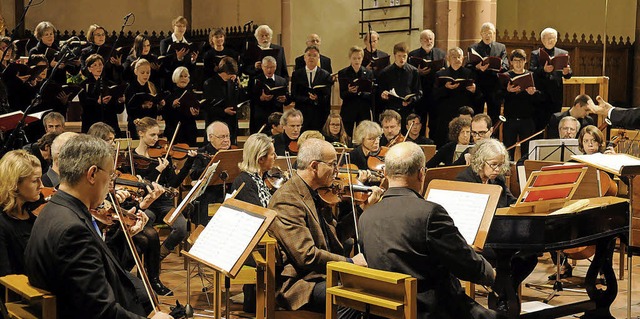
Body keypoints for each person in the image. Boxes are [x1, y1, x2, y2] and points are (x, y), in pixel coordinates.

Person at [24, 134, 173, 318]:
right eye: (110, 174)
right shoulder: (73, 230)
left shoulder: (54, 209)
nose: (112, 183)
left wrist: (122, 235)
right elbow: (99, 311)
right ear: (92, 174)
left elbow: (102, 267)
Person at [359, 142, 498, 319]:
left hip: (384, 311)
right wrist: (490, 274)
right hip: (430, 310)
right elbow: (465, 264)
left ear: (385, 173)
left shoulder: (366, 217)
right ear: (421, 173)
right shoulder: (430, 213)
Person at [268, 138, 380, 315]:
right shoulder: (288, 200)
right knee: (356, 298)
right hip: (301, 284)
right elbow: (306, 256)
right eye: (333, 164)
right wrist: (350, 263)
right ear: (314, 166)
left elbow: (336, 235)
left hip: (320, 275)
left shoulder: (317, 193)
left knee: (376, 290)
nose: (337, 171)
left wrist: (361, 209)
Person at [456, 138, 537, 301]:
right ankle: (505, 291)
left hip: (497, 233)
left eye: (501, 165)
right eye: (494, 164)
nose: (498, 169)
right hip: (475, 238)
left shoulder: (497, 179)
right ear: (480, 161)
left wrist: (527, 201)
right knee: (506, 254)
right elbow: (467, 218)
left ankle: (504, 289)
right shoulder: (464, 181)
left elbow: (511, 201)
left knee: (530, 254)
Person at [132, 117, 195, 260]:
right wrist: (157, 170)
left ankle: (158, 255)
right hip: (145, 203)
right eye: (152, 135)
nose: (156, 139)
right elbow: (139, 185)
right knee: (147, 221)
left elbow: (173, 183)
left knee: (181, 227)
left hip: (164, 203)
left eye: (158, 135)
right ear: (141, 133)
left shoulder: (161, 156)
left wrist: (188, 163)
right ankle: (146, 259)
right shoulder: (132, 158)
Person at [230, 132, 276, 312]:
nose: (275, 157)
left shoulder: (259, 179)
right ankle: (260, 302)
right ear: (260, 158)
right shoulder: (245, 181)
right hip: (247, 245)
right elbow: (261, 216)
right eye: (272, 154)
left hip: (258, 240)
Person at [0, 150, 42, 278]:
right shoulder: (2, 224)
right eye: (35, 181)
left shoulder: (34, 217)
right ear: (15, 184)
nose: (41, 186)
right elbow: (5, 276)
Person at [499, 49, 541, 159]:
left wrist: (533, 93)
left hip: (527, 119)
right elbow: (497, 97)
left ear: (525, 61)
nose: (518, 63)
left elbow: (541, 98)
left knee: (527, 152)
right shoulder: (506, 76)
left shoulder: (532, 76)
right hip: (510, 119)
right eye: (515, 60)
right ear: (511, 62)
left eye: (521, 60)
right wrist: (507, 91)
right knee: (508, 150)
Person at [433, 47, 478, 147]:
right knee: (445, 141)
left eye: (459, 57)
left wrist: (475, 90)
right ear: (448, 58)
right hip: (446, 113)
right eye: (454, 57)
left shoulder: (469, 73)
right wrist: (446, 88)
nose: (457, 59)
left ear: (463, 58)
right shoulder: (440, 74)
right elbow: (434, 95)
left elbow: (478, 96)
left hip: (464, 112)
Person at [190, 121, 233, 225]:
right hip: (208, 195)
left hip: (229, 193)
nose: (226, 140)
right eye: (222, 137)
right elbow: (194, 174)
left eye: (228, 136)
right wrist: (213, 167)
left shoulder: (232, 153)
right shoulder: (201, 152)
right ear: (210, 137)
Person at [530, 27, 573, 131]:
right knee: (539, 126)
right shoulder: (535, 54)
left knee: (555, 124)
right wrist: (543, 70)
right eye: (547, 38)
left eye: (552, 38)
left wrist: (567, 72)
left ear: (556, 39)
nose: (550, 40)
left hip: (556, 94)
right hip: (540, 94)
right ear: (542, 39)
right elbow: (532, 72)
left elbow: (569, 73)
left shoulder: (563, 53)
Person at [466, 22, 508, 123]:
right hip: (479, 86)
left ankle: (493, 138)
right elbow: (467, 66)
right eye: (485, 33)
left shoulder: (501, 47)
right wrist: (477, 67)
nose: (487, 35)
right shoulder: (473, 48)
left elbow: (506, 66)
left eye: (490, 33)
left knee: (494, 116)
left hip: (494, 86)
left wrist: (499, 65)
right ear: (481, 34)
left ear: (494, 34)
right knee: (477, 115)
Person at [409, 29, 447, 137]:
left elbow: (447, 72)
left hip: (435, 94)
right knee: (419, 122)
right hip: (420, 94)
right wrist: (418, 72)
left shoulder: (441, 54)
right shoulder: (412, 55)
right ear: (421, 40)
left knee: (435, 123)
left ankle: (434, 146)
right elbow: (408, 75)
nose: (429, 41)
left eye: (431, 39)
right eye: (426, 39)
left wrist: (442, 71)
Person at [79, 53, 125, 136]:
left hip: (109, 123)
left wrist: (120, 101)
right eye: (95, 65)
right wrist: (98, 102)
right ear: (89, 69)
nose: (98, 67)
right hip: (92, 123)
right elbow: (84, 105)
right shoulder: (83, 85)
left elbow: (118, 110)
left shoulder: (110, 84)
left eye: (100, 64)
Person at [291, 45, 332, 131]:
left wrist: (317, 98)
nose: (311, 58)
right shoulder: (297, 74)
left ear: (318, 58)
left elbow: (327, 96)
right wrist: (307, 99)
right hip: (302, 112)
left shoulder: (325, 75)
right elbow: (294, 94)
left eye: (314, 55)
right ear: (304, 57)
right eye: (309, 55)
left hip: (319, 113)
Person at [378, 42, 422, 123]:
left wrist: (411, 100)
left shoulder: (413, 71)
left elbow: (419, 92)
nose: (402, 59)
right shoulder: (385, 72)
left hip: (408, 110)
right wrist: (383, 95)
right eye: (399, 56)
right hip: (391, 111)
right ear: (394, 55)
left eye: (404, 56)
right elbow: (380, 91)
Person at [338, 46, 374, 137]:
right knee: (346, 134)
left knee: (363, 135)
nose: (357, 61)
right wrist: (350, 91)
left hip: (363, 109)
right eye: (354, 58)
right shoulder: (343, 72)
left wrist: (360, 92)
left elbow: (371, 93)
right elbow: (342, 94)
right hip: (349, 108)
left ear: (362, 58)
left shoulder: (368, 73)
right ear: (350, 58)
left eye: (359, 58)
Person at [203, 57, 240, 143]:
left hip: (230, 123)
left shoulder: (232, 82)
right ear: (225, 72)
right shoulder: (209, 83)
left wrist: (238, 87)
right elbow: (207, 107)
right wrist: (223, 111)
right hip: (215, 122)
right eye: (231, 73)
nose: (233, 76)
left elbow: (237, 99)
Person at [125, 58, 166, 137]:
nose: (145, 75)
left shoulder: (152, 86)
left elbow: (156, 110)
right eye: (142, 72)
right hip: (137, 125)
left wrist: (160, 104)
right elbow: (129, 110)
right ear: (136, 72)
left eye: (148, 72)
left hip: (150, 124)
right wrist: (143, 106)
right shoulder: (131, 88)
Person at [250, 56, 289, 133]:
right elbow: (250, 97)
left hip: (277, 116)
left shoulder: (282, 80)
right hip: (261, 116)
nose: (269, 70)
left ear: (275, 67)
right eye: (266, 67)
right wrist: (261, 98)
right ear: (262, 67)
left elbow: (287, 97)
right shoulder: (255, 80)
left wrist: (285, 99)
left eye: (272, 67)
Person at [162, 66, 199, 145]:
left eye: (185, 76)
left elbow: (197, 109)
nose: (183, 79)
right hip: (175, 129)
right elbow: (164, 114)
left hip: (189, 129)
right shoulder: (169, 94)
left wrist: (196, 113)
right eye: (181, 76)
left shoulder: (191, 94)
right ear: (175, 77)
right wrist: (172, 106)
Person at [159, 16, 198, 90]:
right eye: (179, 26)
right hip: (171, 81)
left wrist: (193, 60)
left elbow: (190, 67)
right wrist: (178, 58)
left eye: (184, 26)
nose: (182, 28)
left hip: (185, 82)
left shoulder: (189, 43)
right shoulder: (165, 42)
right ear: (174, 27)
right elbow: (164, 62)